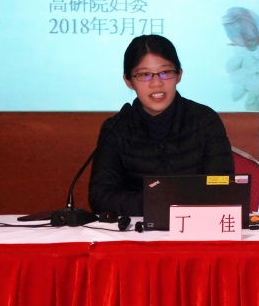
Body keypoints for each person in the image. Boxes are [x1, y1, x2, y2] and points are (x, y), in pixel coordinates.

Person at [89, 34, 234, 218]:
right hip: (137, 229)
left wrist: (168, 204)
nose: (157, 83)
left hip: (195, 226)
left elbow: (222, 186)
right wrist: (156, 204)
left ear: (179, 75)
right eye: (144, 75)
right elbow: (101, 196)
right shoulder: (116, 128)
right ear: (128, 81)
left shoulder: (205, 121)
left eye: (166, 72)